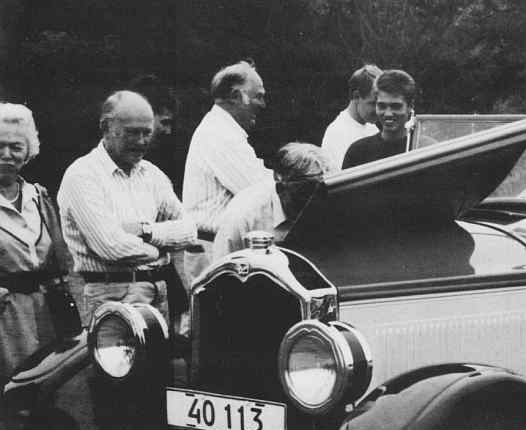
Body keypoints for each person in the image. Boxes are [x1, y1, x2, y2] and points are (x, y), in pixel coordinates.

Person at [0, 103, 76, 430]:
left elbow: (60, 261)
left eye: (16, 146)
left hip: (45, 321)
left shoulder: (40, 197)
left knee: (43, 424)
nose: (7, 155)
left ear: (30, 150)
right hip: (3, 322)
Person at [58, 90, 197, 324]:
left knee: (160, 350)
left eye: (147, 133)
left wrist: (146, 231)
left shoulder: (152, 175)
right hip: (112, 295)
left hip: (159, 293)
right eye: (132, 132)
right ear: (106, 127)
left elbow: (190, 230)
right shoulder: (82, 176)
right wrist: (159, 252)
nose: (141, 141)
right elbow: (111, 247)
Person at [181, 61, 272, 290]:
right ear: (235, 96)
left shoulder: (224, 130)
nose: (263, 105)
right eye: (258, 96)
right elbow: (259, 193)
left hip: (217, 247)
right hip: (212, 251)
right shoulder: (219, 134)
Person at [213, 143, 331, 257]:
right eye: (305, 190)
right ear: (280, 181)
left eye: (319, 189)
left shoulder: (326, 199)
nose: (312, 198)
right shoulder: (242, 215)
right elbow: (222, 266)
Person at [342, 69, 417, 168]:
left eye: (396, 106)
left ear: (410, 106)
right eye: (382, 106)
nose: (388, 113)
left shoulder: (422, 148)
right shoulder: (357, 152)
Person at [321, 64, 382, 171]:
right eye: (373, 103)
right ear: (356, 96)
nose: (378, 111)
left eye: (381, 104)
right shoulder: (337, 133)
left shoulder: (371, 128)